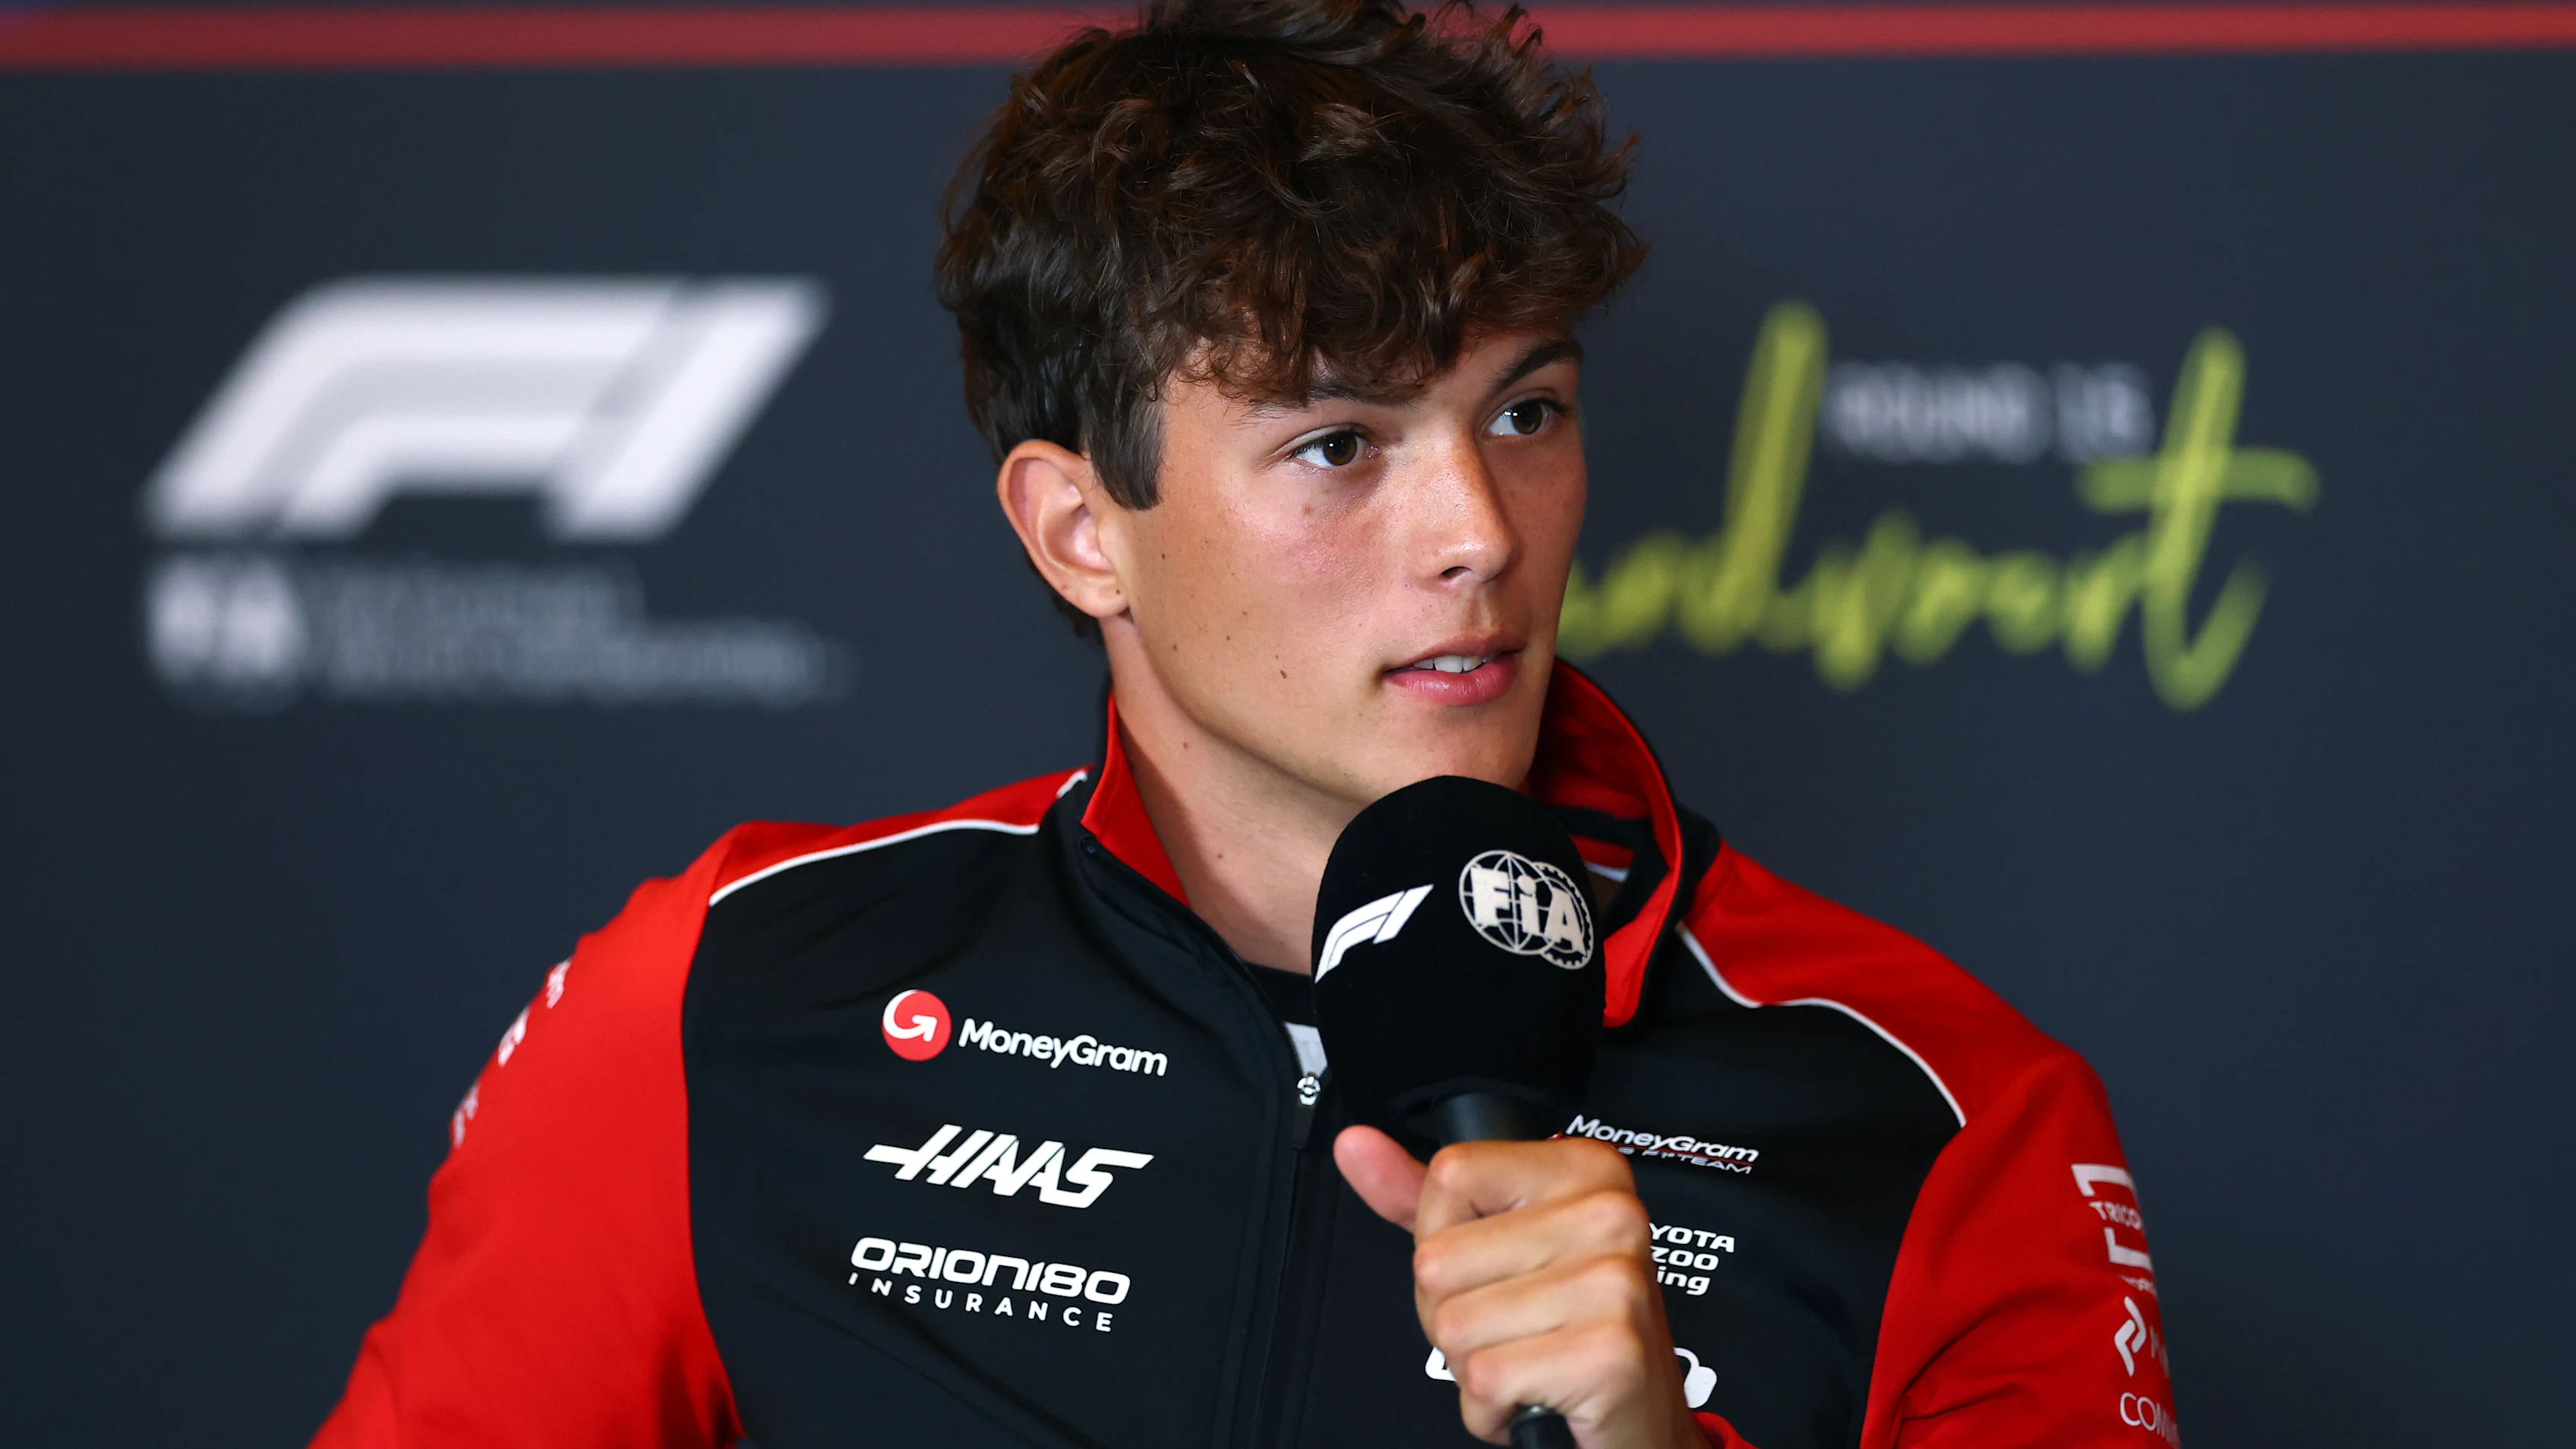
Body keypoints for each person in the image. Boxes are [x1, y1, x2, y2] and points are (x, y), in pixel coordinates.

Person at [312, 2, 2176, 1445]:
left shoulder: (1943, 1117)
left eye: (1523, 413)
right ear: (1077, 529)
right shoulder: (733, 999)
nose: (1478, 537)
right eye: (1337, 445)